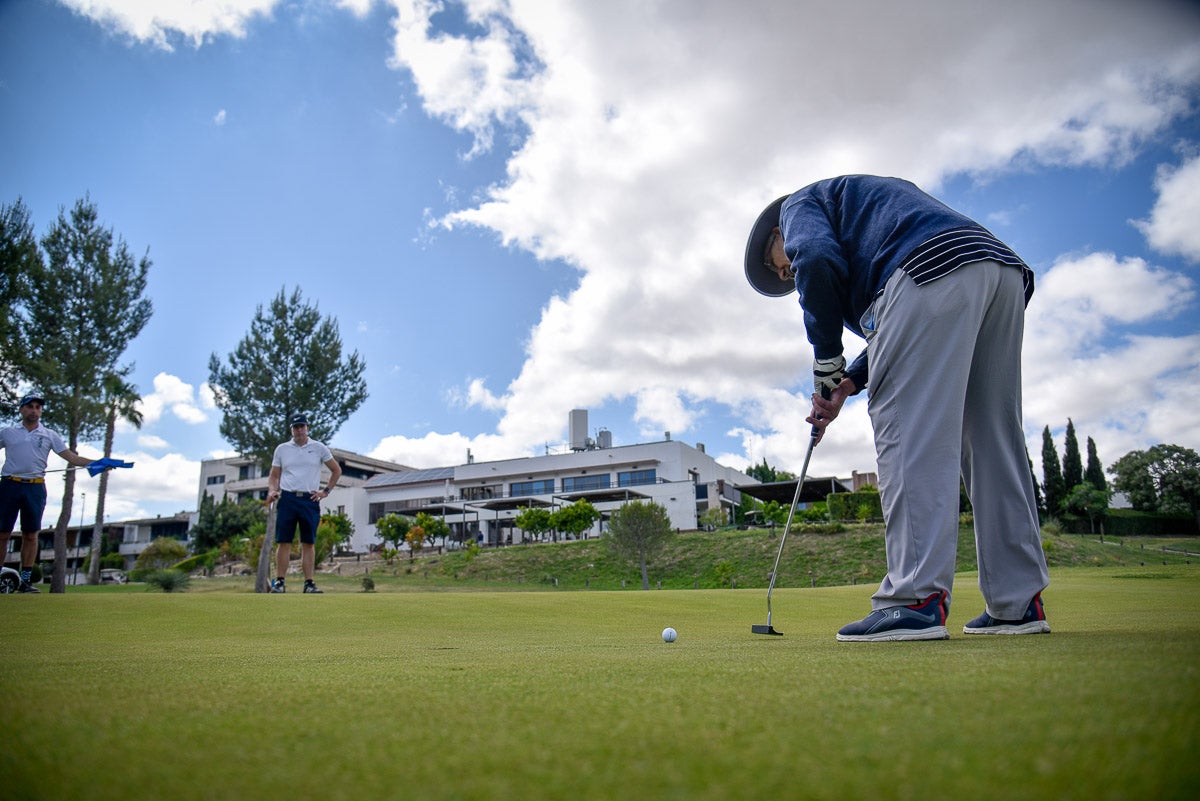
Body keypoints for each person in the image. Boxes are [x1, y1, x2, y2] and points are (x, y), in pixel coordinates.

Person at [744, 175, 1051, 641]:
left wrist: (826, 359)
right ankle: (1018, 602)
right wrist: (847, 382)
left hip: (926, 271)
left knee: (910, 433)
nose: (788, 274)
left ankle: (915, 599)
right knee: (991, 440)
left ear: (777, 234)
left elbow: (817, 258)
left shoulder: (799, 205)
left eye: (781, 267)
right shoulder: (867, 211)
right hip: (998, 272)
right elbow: (894, 333)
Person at [1, 394, 97, 593]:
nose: (34, 410)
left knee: (30, 534)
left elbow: (70, 457)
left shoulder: (49, 435)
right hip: (9, 485)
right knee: (2, 534)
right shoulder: (8, 433)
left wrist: (97, 463)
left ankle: (25, 581)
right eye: (29, 407)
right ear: (21, 410)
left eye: (37, 407)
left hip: (35, 487)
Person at [265, 413, 341, 594]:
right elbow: (274, 475)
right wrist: (272, 490)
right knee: (284, 542)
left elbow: (336, 470)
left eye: (302, 426)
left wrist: (326, 492)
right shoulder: (282, 449)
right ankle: (280, 583)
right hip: (288, 499)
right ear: (291, 429)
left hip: (310, 500)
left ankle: (309, 584)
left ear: (307, 428)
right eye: (296, 427)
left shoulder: (319, 448)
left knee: (308, 543)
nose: (299, 430)